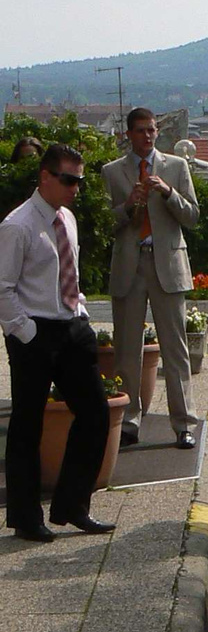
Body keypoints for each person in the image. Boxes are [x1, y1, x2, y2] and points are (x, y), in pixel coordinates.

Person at [0, 143, 114, 539]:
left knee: (96, 413)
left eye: (79, 180)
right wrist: (27, 333)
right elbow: (3, 288)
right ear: (45, 177)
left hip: (70, 326)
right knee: (27, 425)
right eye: (68, 180)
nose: (75, 188)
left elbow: (69, 270)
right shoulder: (18, 225)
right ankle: (25, 518)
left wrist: (79, 308)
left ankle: (72, 505)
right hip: (34, 331)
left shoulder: (67, 218)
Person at [101, 108, 200, 449]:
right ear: (129, 134)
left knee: (176, 349)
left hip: (167, 265)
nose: (148, 136)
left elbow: (192, 216)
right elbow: (105, 223)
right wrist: (128, 205)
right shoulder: (112, 172)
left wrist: (169, 193)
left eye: (152, 130)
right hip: (130, 264)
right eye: (141, 131)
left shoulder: (176, 166)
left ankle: (184, 422)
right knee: (127, 349)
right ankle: (128, 419)